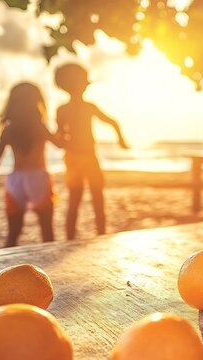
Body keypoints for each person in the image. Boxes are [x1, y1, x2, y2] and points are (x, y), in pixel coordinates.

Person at [0, 82, 63, 247]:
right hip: (39, 178)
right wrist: (64, 129)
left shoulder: (8, 130)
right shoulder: (39, 126)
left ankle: (8, 267)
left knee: (13, 232)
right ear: (37, 102)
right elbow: (59, 144)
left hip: (16, 180)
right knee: (47, 230)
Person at [54, 63, 128, 240]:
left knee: (93, 198)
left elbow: (113, 122)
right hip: (80, 158)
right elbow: (114, 122)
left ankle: (98, 235)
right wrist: (121, 140)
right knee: (81, 198)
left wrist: (121, 139)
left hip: (81, 157)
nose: (85, 86)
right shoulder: (77, 108)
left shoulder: (69, 109)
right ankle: (74, 238)